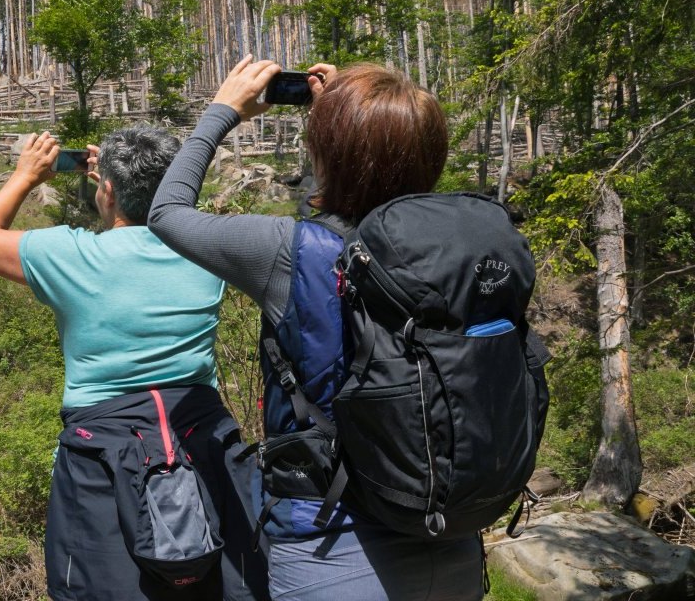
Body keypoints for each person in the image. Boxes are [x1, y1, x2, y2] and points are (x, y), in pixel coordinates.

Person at [148, 58, 483, 601]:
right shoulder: (461, 244)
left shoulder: (290, 252)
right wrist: (345, 120)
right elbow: (340, 210)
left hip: (333, 548)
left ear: (328, 151)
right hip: (450, 536)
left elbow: (166, 212)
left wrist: (222, 111)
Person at [0, 125, 268, 601]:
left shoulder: (73, 255)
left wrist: (27, 175)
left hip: (103, 459)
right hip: (205, 446)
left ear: (106, 191)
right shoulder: (212, 249)